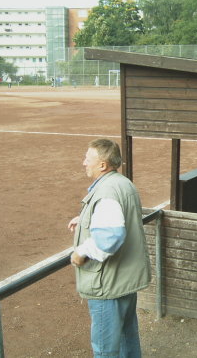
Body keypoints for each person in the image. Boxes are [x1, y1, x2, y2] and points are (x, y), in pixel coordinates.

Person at [67, 139, 151, 358]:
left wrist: (81, 252)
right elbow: (117, 217)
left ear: (103, 165)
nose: (84, 162)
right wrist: (86, 218)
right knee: (127, 340)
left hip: (108, 286)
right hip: (123, 280)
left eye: (88, 158)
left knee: (106, 349)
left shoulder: (106, 192)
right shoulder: (121, 183)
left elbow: (110, 236)